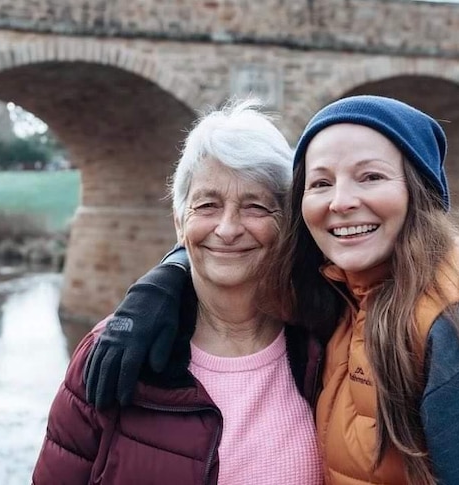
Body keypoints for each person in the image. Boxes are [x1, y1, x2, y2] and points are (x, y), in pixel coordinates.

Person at [85, 95, 459, 484]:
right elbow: (221, 239)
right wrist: (164, 283)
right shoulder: (336, 295)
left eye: (370, 176)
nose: (342, 202)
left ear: (418, 192)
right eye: (320, 183)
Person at [31, 100, 324, 485]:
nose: (228, 227)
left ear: (287, 224)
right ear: (179, 223)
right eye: (207, 205)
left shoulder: (327, 343)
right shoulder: (111, 352)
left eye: (255, 206)